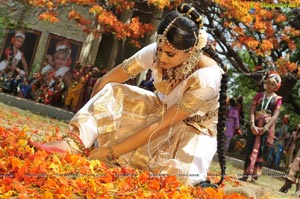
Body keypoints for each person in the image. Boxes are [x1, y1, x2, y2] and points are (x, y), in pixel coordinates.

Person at [30, 3, 228, 187]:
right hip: (158, 113)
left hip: (192, 130)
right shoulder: (157, 51)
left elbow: (163, 125)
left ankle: (117, 156)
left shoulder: (208, 78)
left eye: (169, 54)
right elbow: (105, 81)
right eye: (159, 50)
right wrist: (91, 128)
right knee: (114, 90)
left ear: (191, 51)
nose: (161, 58)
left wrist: (109, 151)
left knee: (181, 179)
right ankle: (73, 144)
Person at [239, 73, 283, 182]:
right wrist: (252, 124)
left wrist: (266, 127)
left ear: (276, 86)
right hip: (255, 126)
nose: (269, 86)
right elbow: (252, 111)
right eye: (268, 83)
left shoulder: (278, 99)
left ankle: (255, 175)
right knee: (250, 148)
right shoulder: (258, 95)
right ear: (265, 83)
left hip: (266, 128)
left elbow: (276, 115)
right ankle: (245, 173)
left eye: (272, 84)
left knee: (262, 150)